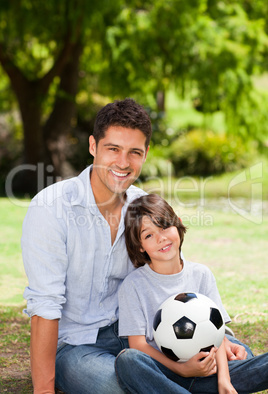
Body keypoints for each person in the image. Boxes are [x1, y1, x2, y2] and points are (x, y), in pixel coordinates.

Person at [22, 98, 247, 394]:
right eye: (113, 149)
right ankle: (186, 383)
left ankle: (179, 381)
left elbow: (170, 275)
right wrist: (43, 391)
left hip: (142, 334)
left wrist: (216, 336)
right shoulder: (50, 209)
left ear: (146, 154)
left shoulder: (142, 208)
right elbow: (45, 306)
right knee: (120, 387)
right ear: (93, 146)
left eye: (134, 152)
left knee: (240, 355)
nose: (123, 163)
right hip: (78, 346)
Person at [116, 194, 268, 393]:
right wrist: (182, 369)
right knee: (127, 361)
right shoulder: (133, 286)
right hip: (165, 372)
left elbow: (217, 333)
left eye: (164, 227)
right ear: (139, 246)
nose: (161, 238)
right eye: (148, 235)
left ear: (177, 223)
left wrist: (224, 380)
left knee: (243, 355)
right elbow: (138, 345)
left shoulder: (201, 274)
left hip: (208, 369)